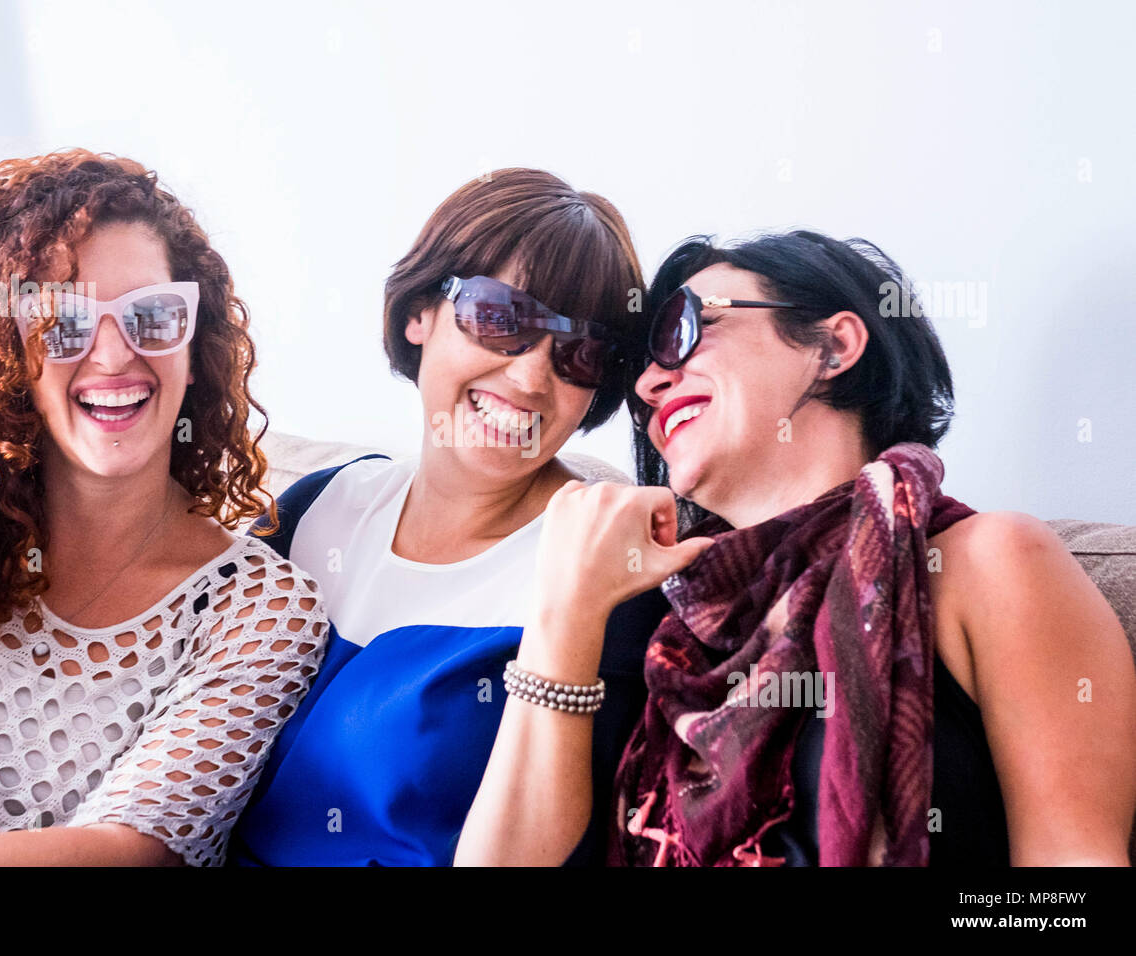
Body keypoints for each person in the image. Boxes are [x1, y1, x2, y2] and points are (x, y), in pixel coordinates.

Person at [477, 230, 1136, 865]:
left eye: (681, 330)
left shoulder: (988, 562)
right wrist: (565, 608)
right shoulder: (655, 621)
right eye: (642, 372)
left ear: (834, 345)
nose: (650, 385)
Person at [0, 150, 327, 866]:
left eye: (151, 316)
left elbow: (127, 855)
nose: (113, 354)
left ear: (195, 343)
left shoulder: (256, 611)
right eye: (63, 321)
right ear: (3, 352)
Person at [229, 168, 695, 866]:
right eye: (502, 319)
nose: (531, 378)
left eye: (582, 353)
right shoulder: (310, 508)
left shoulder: (608, 569)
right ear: (419, 311)